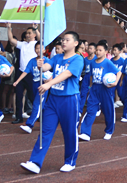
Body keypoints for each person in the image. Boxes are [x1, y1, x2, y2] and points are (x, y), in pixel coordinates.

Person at [20, 32, 84, 174]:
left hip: (69, 99)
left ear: (75, 43)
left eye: (67, 40)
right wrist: (40, 65)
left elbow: (66, 74)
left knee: (69, 132)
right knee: (45, 130)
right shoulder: (57, 57)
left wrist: (49, 84)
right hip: (53, 100)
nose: (64, 42)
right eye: (62, 40)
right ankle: (35, 162)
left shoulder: (77, 60)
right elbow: (46, 68)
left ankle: (70, 161)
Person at [79, 41, 120, 141]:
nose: (97, 52)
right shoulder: (92, 62)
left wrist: (115, 83)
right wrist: (91, 87)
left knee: (108, 111)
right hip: (95, 89)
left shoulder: (107, 62)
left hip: (105, 89)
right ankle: (85, 133)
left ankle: (109, 131)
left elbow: (118, 72)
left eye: (100, 50)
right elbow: (92, 76)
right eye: (97, 50)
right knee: (90, 109)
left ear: (106, 52)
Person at [17, 42, 43, 134]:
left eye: (40, 48)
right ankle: (48, 122)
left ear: (44, 50)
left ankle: (29, 125)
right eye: (37, 48)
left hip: (43, 86)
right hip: (34, 85)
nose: (38, 50)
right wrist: (17, 81)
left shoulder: (47, 61)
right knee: (43, 106)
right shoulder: (32, 61)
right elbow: (26, 71)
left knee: (37, 105)